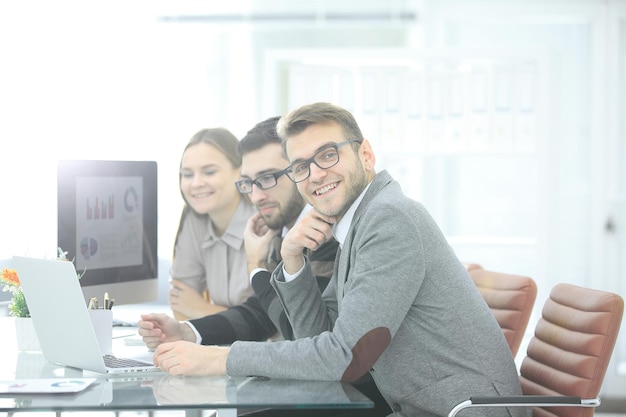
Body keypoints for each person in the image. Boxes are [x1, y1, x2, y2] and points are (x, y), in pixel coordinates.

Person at [147, 103, 526, 417]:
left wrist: (217, 359)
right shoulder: (358, 222)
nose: (316, 174)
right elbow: (320, 339)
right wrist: (292, 259)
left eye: (328, 155)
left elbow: (342, 358)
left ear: (366, 154)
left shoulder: (389, 219)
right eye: (300, 166)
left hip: (461, 410)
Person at [140, 117, 338, 345]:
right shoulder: (280, 229)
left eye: (267, 178)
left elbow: (302, 332)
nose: (255, 196)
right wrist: (187, 331)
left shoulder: (326, 234)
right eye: (249, 183)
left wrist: (256, 266)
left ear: (299, 170)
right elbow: (261, 315)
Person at [169, 127, 256, 320]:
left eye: (209, 172)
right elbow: (180, 303)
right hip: (223, 344)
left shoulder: (263, 220)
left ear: (240, 172)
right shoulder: (195, 218)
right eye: (188, 174)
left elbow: (267, 324)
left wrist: (202, 309)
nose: (196, 183)